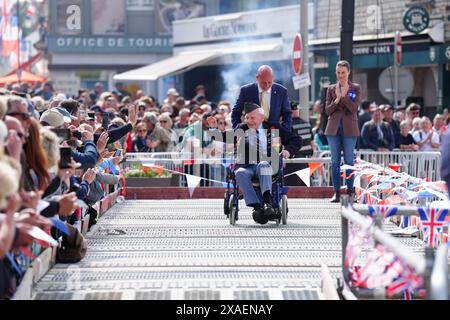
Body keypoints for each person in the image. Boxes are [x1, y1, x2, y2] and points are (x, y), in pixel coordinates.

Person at [209, 103, 301, 225]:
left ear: (261, 118)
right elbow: (224, 137)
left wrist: (287, 150)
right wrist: (214, 129)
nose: (249, 121)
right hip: (246, 166)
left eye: (252, 118)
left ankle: (268, 202)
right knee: (240, 173)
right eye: (247, 118)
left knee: (263, 165)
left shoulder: (273, 128)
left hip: (267, 165)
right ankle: (257, 207)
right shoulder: (242, 129)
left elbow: (296, 140)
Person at [324, 60, 361, 203]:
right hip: (333, 129)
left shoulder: (355, 88)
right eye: (338, 72)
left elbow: (353, 109)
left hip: (349, 129)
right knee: (334, 162)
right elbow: (327, 110)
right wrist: (337, 99)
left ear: (348, 72)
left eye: (343, 72)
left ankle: (351, 192)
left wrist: (345, 97)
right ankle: (337, 192)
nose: (340, 75)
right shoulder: (331, 89)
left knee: (349, 161)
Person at [231, 65, 292, 130]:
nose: (267, 85)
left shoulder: (281, 91)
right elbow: (236, 112)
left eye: (269, 82)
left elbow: (287, 114)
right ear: (257, 78)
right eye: (263, 82)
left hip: (274, 132)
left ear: (273, 78)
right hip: (252, 132)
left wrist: (285, 130)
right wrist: (238, 130)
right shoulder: (246, 91)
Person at [284, 101, 315, 186]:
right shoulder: (307, 124)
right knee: (306, 193)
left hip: (291, 163)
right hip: (305, 162)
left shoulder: (287, 126)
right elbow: (312, 144)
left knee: (291, 192)